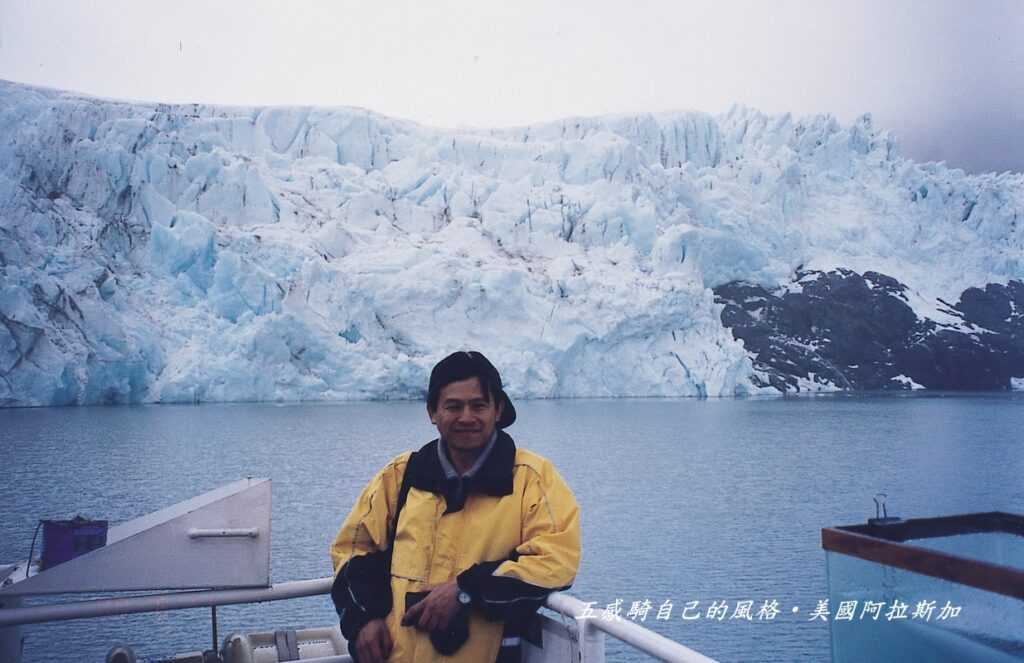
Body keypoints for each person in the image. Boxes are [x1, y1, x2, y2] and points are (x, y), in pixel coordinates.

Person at [329, 351, 582, 663]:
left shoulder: (531, 478)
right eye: (453, 406)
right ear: (432, 411)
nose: (466, 417)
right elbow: (354, 548)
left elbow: (556, 560)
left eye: (478, 405)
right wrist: (364, 619)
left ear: (498, 410)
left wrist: (468, 590)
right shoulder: (401, 475)